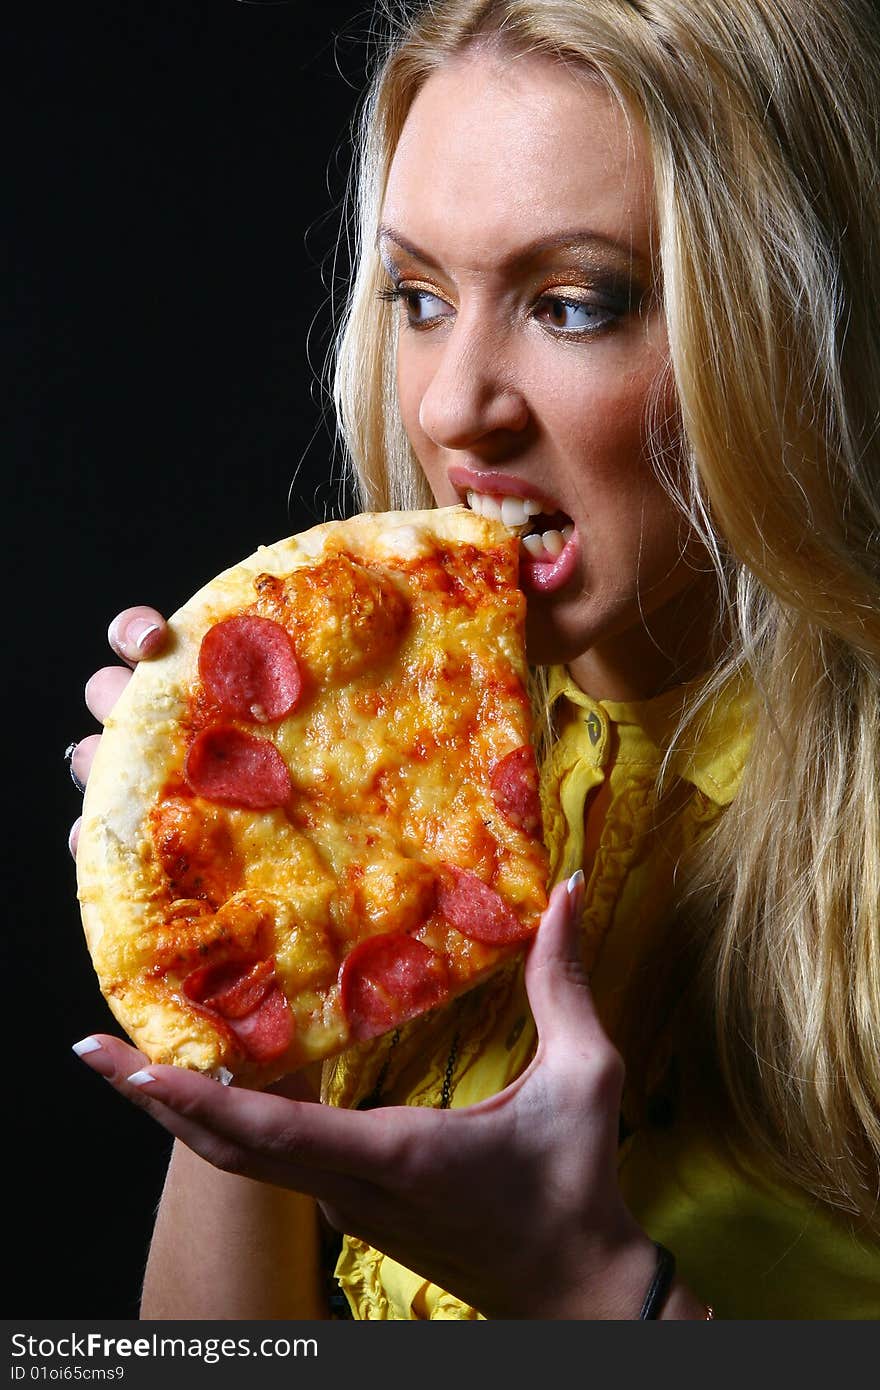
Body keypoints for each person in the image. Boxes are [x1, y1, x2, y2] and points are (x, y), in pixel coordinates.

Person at [67, 0, 880, 1319]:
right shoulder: (415, 794)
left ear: (785, 331)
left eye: (571, 305)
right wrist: (256, 1007)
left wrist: (584, 1289)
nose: (452, 406)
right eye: (420, 298)